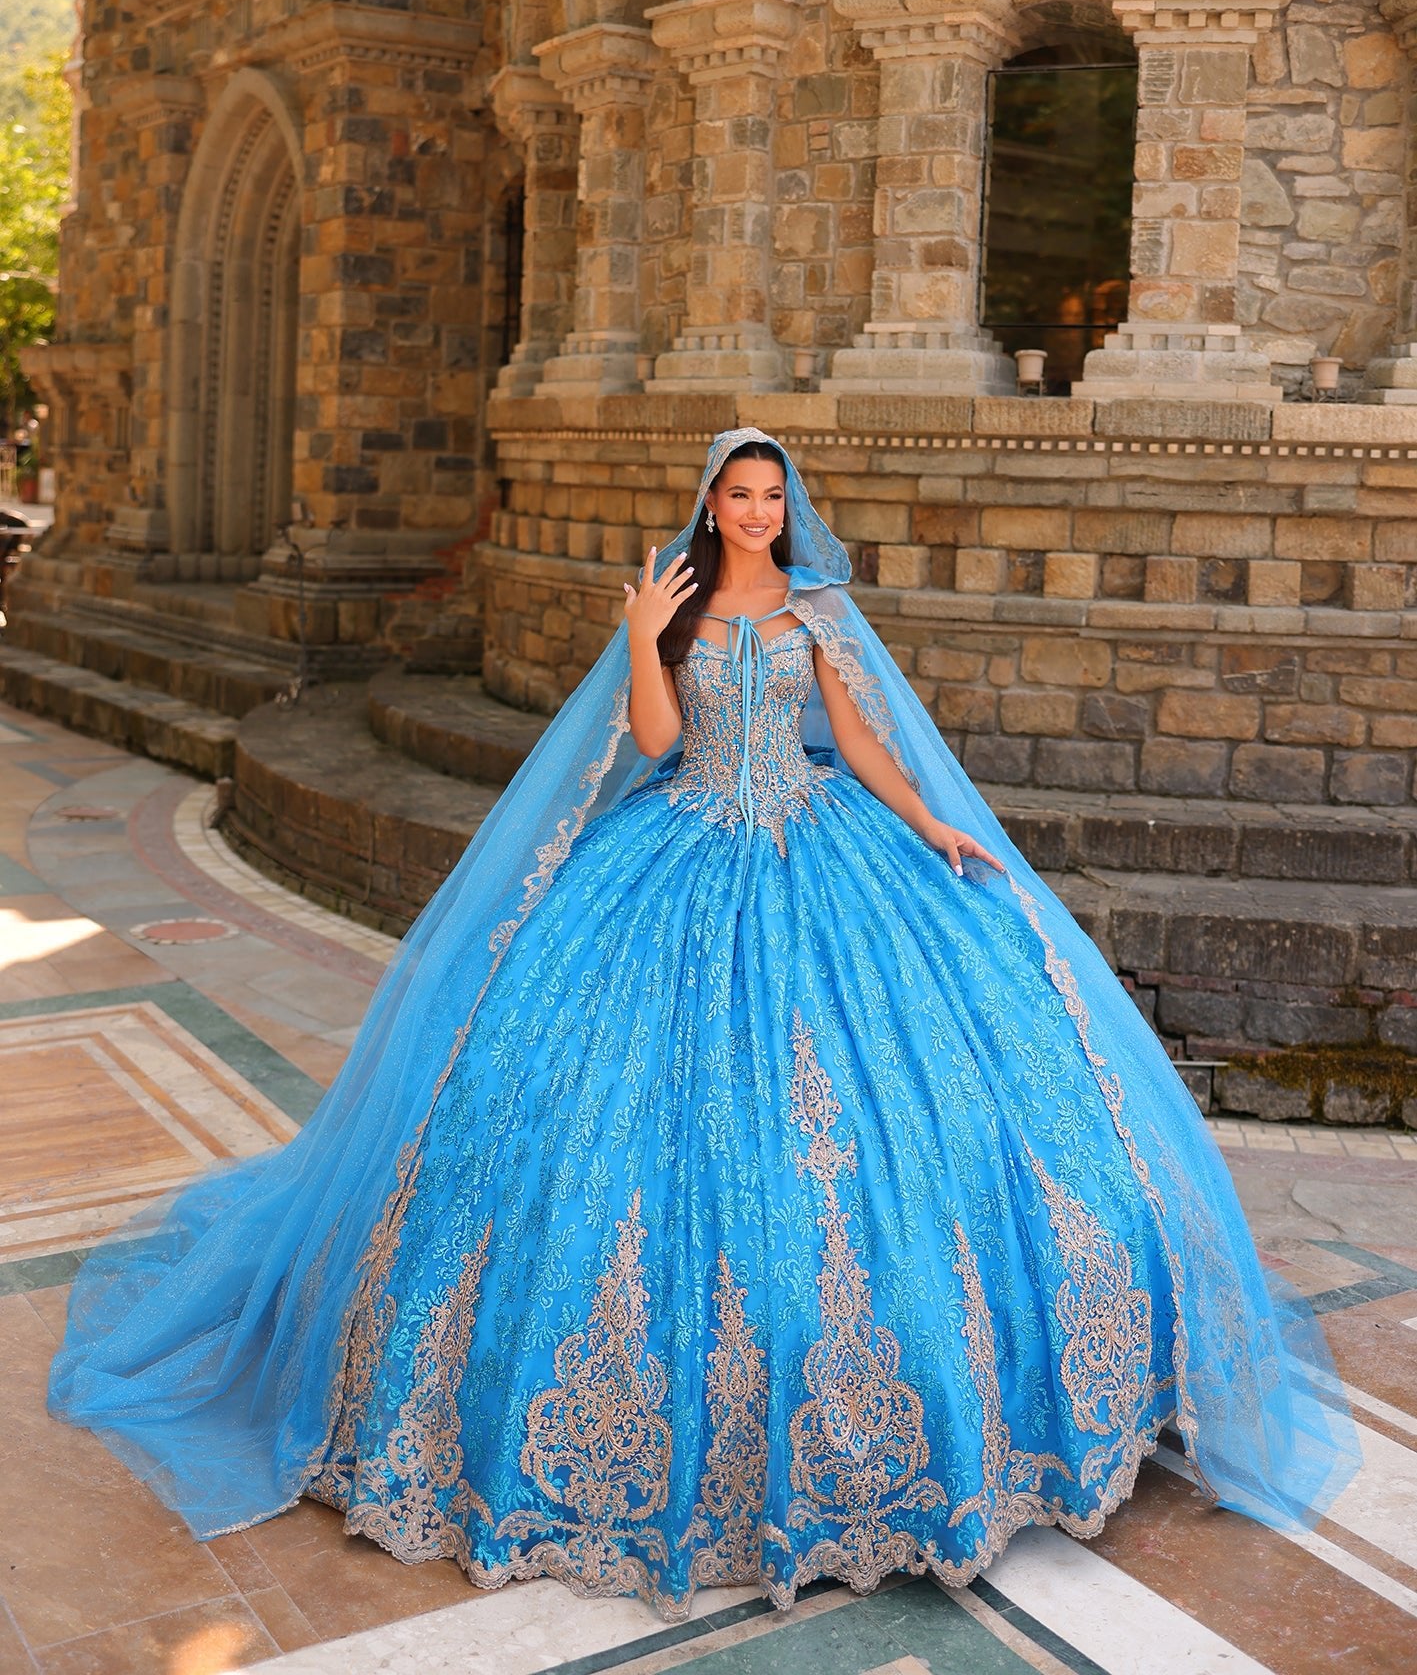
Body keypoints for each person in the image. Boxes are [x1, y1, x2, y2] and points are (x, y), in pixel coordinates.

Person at [48, 427, 1356, 1616]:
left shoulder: (818, 613)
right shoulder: (672, 610)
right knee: (597, 1117)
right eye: (735, 495)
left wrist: (929, 822)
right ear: (709, 505)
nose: (751, 512)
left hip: (824, 849)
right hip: (676, 857)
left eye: (768, 497)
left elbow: (862, 742)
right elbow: (660, 744)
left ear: (788, 511)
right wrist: (638, 635)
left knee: (907, 1116)